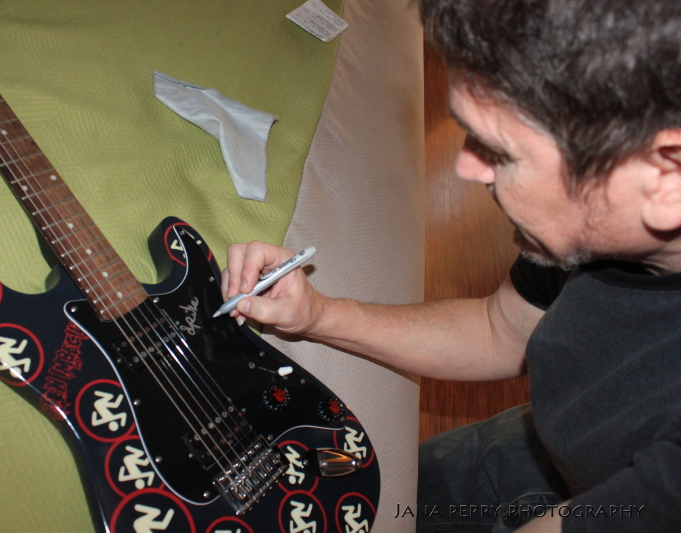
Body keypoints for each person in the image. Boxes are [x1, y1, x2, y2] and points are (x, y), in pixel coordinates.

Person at [221, 0, 681, 531]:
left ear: (665, 180)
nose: (464, 168)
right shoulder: (604, 214)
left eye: (501, 152)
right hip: (538, 453)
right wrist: (318, 315)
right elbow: (499, 331)